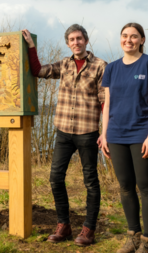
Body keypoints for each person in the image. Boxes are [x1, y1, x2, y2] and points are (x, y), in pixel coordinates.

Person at [22, 25, 107, 246]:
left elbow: (105, 102)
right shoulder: (65, 64)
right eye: (71, 39)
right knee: (55, 178)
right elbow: (38, 70)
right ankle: (64, 225)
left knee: (90, 181)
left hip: (88, 132)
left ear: (86, 40)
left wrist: (105, 132)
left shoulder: (100, 66)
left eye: (79, 38)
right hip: (63, 131)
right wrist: (31, 46)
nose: (76, 42)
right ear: (68, 43)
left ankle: (88, 229)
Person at [101, 23, 148, 253]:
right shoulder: (112, 68)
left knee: (145, 187)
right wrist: (104, 134)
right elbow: (107, 104)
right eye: (125, 36)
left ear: (142, 40)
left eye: (134, 36)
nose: (129, 40)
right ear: (120, 39)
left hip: (143, 134)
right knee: (125, 186)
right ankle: (132, 236)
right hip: (116, 135)